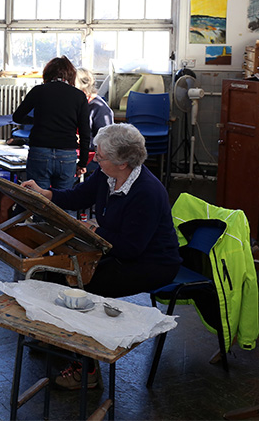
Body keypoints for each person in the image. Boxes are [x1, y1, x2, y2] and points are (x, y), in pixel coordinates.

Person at [22, 124, 181, 389]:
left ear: (123, 163)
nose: (96, 159)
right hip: (117, 248)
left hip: (152, 263)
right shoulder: (107, 175)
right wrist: (44, 193)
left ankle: (87, 371)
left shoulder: (147, 192)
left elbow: (131, 248)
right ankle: (58, 335)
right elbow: (77, 196)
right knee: (56, 271)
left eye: (101, 156)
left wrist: (95, 230)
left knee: (83, 286)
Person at [12, 56, 90, 190]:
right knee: (64, 199)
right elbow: (85, 132)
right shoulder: (79, 96)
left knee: (38, 198)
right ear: (71, 75)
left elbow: (17, 117)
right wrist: (83, 163)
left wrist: (36, 120)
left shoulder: (38, 91)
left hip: (39, 152)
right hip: (66, 154)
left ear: (47, 74)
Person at [75, 68, 114, 151]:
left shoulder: (100, 109)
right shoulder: (76, 104)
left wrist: (81, 140)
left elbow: (105, 142)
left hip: (90, 152)